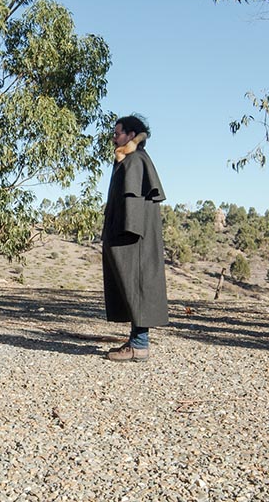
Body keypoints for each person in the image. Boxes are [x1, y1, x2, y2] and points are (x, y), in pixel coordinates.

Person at [101, 114, 168, 361]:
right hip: (128, 236)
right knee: (131, 288)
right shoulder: (128, 160)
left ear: (131, 135)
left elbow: (134, 203)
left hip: (133, 237)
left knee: (138, 287)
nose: (113, 137)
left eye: (117, 133)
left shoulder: (136, 160)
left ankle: (139, 346)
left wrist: (125, 234)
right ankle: (136, 341)